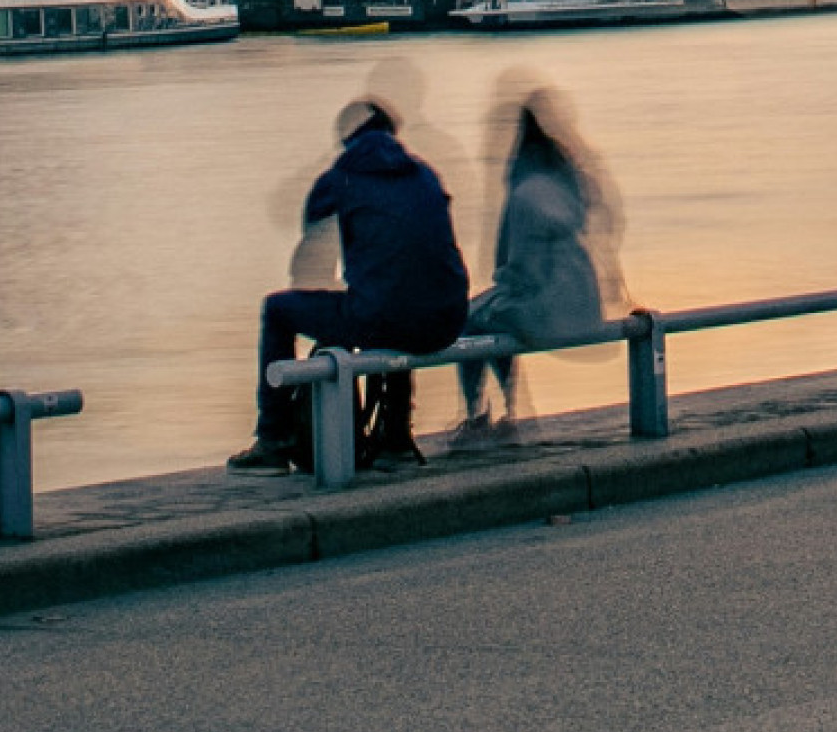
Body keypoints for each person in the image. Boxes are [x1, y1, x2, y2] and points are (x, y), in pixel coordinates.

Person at [228, 87, 469, 473]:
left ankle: (273, 439)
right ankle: (395, 438)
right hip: (447, 319)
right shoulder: (425, 174)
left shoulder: (344, 175)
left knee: (278, 310)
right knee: (399, 299)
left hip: (384, 317)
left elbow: (311, 220)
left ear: (347, 139)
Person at [451, 89, 619, 434]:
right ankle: (507, 410)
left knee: (472, 320)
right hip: (584, 298)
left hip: (551, 306)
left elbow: (526, 270)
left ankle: (481, 413)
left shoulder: (526, 194)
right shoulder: (565, 183)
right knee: (490, 312)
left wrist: (503, 280)